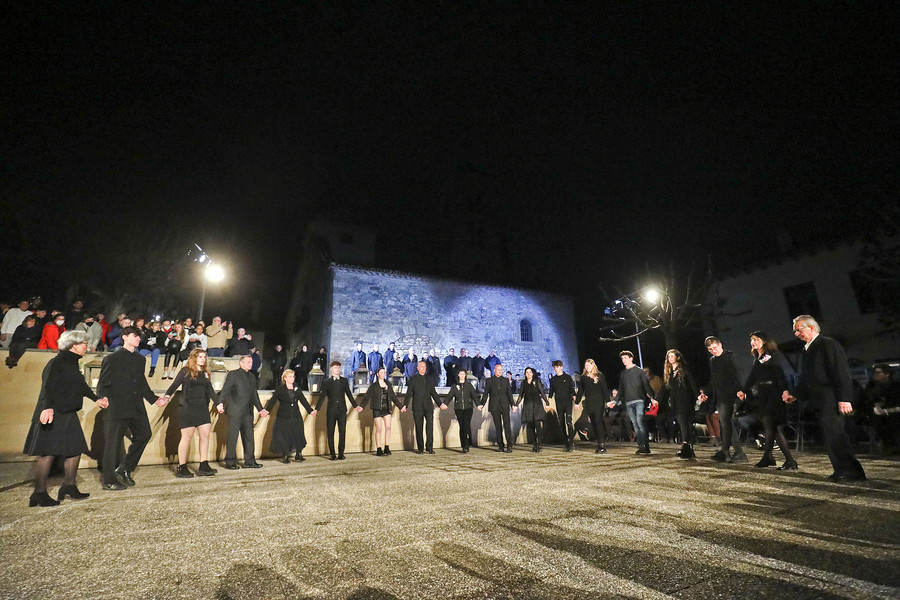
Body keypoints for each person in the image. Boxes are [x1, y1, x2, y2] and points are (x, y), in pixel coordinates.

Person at [23, 331, 109, 506]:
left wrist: (96, 399)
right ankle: (39, 493)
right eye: (84, 343)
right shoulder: (56, 363)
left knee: (74, 449)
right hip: (54, 412)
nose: (87, 345)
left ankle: (69, 485)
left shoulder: (72, 364)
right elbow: (48, 386)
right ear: (74, 345)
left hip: (68, 412)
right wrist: (47, 407)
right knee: (48, 452)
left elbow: (81, 386)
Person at [792, 315, 865, 482]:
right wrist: (795, 394)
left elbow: (840, 371)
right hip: (819, 400)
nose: (796, 334)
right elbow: (807, 378)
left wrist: (845, 398)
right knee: (830, 437)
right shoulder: (807, 349)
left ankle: (850, 471)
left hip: (830, 400)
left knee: (836, 436)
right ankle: (842, 469)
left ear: (811, 327)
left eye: (799, 329)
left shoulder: (827, 344)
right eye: (795, 331)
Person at [96, 326, 167, 490]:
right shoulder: (112, 358)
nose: (138, 339)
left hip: (136, 406)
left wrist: (154, 399)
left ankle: (125, 468)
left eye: (139, 336)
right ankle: (108, 480)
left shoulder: (140, 359)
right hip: (117, 407)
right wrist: (103, 398)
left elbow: (141, 383)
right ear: (125, 338)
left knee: (144, 434)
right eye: (135, 336)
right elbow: (103, 384)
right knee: (112, 444)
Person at [737, 331, 798, 470]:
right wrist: (743, 390)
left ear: (764, 341)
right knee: (772, 428)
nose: (753, 342)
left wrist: (785, 390)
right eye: (751, 340)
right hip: (763, 395)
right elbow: (752, 377)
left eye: (756, 339)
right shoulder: (757, 359)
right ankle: (779, 459)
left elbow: (780, 374)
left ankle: (772, 458)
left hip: (773, 393)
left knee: (770, 425)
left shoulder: (772, 356)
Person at [162, 348, 219, 478]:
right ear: (193, 358)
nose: (203, 359)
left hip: (202, 409)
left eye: (204, 357)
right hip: (188, 408)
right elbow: (174, 385)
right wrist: (166, 397)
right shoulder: (185, 371)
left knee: (205, 436)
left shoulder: (205, 373)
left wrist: (218, 403)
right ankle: (182, 466)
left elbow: (210, 391)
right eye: (200, 357)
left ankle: (203, 464)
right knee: (186, 438)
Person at [698, 337, 747, 463]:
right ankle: (726, 451)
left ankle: (736, 452)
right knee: (726, 423)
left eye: (715, 348)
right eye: (710, 349)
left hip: (731, 395)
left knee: (727, 423)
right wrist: (706, 393)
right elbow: (714, 380)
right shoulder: (713, 360)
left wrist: (740, 390)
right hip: (720, 396)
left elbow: (737, 374)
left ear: (720, 345)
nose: (713, 351)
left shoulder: (730, 356)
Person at [216, 355, 269, 469]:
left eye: (251, 362)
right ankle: (230, 462)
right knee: (233, 437)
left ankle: (249, 461)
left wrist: (260, 409)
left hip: (247, 412)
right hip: (235, 411)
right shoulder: (233, 374)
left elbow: (254, 394)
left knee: (249, 436)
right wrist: (220, 403)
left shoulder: (251, 376)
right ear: (241, 363)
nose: (251, 364)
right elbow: (225, 390)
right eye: (248, 362)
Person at [265, 369, 316, 463]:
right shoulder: (280, 389)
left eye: (293, 376)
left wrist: (310, 411)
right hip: (284, 416)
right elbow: (273, 400)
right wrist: (267, 411)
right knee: (285, 435)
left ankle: (299, 454)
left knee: (298, 433)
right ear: (285, 378)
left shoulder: (297, 388)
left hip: (296, 415)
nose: (292, 378)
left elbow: (303, 400)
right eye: (290, 377)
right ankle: (285, 455)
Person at [657, 349, 700, 459]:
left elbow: (692, 383)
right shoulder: (670, 373)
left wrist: (698, 395)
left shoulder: (684, 370)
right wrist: (657, 399)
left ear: (678, 357)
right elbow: (665, 388)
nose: (670, 358)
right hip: (676, 402)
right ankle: (688, 448)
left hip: (685, 401)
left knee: (685, 423)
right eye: (668, 357)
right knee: (683, 424)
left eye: (672, 356)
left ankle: (686, 447)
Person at [612, 350, 657, 455]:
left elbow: (646, 385)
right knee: (635, 425)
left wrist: (652, 398)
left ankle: (645, 445)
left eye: (625, 358)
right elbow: (621, 389)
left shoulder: (639, 371)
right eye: (622, 359)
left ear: (631, 358)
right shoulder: (623, 374)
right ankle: (641, 445)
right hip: (628, 401)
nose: (624, 360)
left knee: (640, 422)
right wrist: (615, 401)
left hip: (639, 400)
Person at [316, 361, 360, 460]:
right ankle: (332, 454)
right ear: (331, 369)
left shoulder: (344, 381)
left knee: (342, 432)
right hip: (331, 411)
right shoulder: (327, 382)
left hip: (341, 410)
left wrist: (356, 406)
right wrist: (316, 409)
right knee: (330, 432)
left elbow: (349, 394)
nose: (337, 369)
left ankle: (341, 453)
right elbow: (322, 397)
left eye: (338, 368)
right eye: (335, 367)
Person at [359, 366, 403, 456]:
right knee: (379, 428)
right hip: (377, 408)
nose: (383, 374)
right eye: (381, 373)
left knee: (388, 427)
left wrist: (400, 407)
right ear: (378, 374)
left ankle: (387, 447)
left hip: (386, 408)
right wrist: (361, 406)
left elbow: (394, 397)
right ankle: (379, 449)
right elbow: (367, 397)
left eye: (384, 372)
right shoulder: (374, 386)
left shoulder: (388, 384)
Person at [403, 360, 444, 454]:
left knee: (430, 427)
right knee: (419, 428)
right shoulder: (413, 379)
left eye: (425, 367)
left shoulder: (430, 379)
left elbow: (433, 393)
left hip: (428, 407)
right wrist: (405, 405)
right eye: (421, 367)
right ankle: (420, 448)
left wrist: (440, 404)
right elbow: (408, 393)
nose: (423, 368)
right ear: (418, 368)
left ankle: (429, 447)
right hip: (417, 407)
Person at [479, 363, 517, 453]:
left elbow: (509, 394)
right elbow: (486, 394)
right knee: (498, 426)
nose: (499, 371)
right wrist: (482, 404)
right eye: (498, 370)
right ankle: (500, 445)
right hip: (494, 406)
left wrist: (513, 404)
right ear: (494, 370)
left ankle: (509, 445)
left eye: (501, 370)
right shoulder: (489, 381)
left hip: (504, 405)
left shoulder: (505, 380)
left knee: (507, 426)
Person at [576, 359, 611, 454]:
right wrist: (577, 402)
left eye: (589, 365)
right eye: (586, 365)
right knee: (594, 424)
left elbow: (604, 389)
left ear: (593, 366)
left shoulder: (599, 376)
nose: (587, 367)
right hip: (589, 403)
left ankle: (602, 444)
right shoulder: (583, 378)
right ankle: (598, 442)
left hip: (599, 403)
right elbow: (580, 390)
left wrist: (608, 401)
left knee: (598, 421)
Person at [867, 364, 900, 453]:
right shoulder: (872, 386)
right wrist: (877, 403)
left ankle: (893, 446)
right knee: (877, 420)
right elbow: (868, 399)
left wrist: (886, 408)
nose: (875, 375)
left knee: (893, 421)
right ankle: (884, 445)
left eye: (878, 373)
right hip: (877, 413)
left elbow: (895, 401)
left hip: (893, 412)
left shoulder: (896, 386)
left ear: (887, 374)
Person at [515, 367, 550, 452]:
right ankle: (534, 445)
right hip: (528, 406)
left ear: (532, 373)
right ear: (525, 374)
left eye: (530, 372)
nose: (528, 374)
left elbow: (541, 392)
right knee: (530, 426)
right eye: (527, 372)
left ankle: (539, 444)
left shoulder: (536, 381)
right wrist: (516, 405)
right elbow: (521, 395)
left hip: (537, 405)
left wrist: (547, 403)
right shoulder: (523, 383)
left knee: (537, 425)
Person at [444, 368, 478, 452]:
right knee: (461, 426)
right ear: (458, 375)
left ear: (465, 375)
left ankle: (467, 445)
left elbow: (474, 395)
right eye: (460, 374)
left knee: (466, 425)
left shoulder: (469, 385)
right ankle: (463, 444)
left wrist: (479, 404)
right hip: (459, 408)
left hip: (468, 408)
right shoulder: (455, 386)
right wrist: (445, 403)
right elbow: (450, 396)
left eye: (463, 374)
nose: (462, 375)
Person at [548, 361, 577, 451]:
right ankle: (566, 443)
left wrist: (576, 402)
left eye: (557, 367)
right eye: (555, 368)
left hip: (568, 402)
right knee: (561, 423)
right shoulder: (553, 379)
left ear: (561, 367)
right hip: (559, 402)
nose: (556, 369)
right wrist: (548, 403)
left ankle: (571, 442)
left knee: (569, 421)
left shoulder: (567, 378)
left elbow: (572, 390)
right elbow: (551, 392)